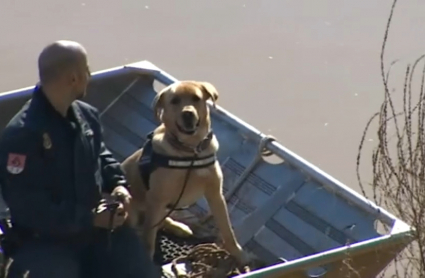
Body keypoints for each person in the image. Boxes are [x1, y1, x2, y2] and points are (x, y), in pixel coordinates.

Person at [0, 40, 161, 278]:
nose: (90, 75)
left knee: (140, 269)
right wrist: (89, 219)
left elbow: (101, 155)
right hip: (45, 241)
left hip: (94, 230)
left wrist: (118, 185)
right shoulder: (23, 136)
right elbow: (29, 209)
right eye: (87, 70)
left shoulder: (86, 116)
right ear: (74, 78)